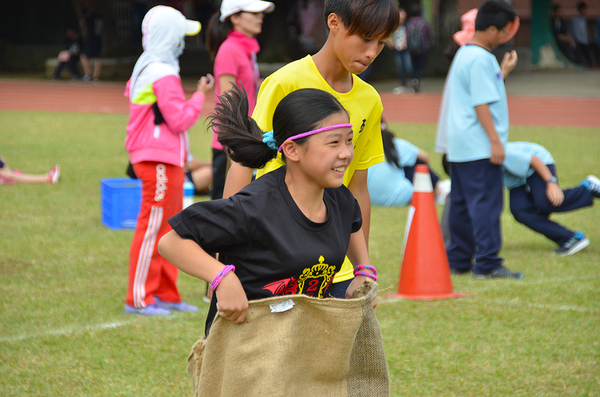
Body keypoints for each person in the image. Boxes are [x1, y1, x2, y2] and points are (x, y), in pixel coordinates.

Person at [158, 86, 376, 335]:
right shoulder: (254, 206)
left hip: (302, 346)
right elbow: (171, 242)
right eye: (334, 143)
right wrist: (221, 277)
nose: (346, 153)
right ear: (292, 150)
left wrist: (363, 271)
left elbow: (352, 223)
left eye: (349, 141)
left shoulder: (340, 199)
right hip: (243, 350)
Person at [221, 0, 399, 298]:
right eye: (366, 38)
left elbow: (357, 189)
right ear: (334, 23)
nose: (372, 52)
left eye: (381, 42)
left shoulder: (370, 100)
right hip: (275, 259)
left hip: (335, 268)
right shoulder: (286, 82)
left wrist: (362, 270)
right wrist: (225, 253)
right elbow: (243, 163)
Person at [124, 5, 215, 316]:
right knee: (154, 227)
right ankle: (139, 298)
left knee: (168, 229)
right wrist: (200, 94)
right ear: (170, 37)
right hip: (157, 159)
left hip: (164, 159)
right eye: (180, 36)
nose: (182, 43)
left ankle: (165, 293)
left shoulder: (148, 66)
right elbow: (179, 120)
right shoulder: (161, 72)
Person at [440, 0, 522, 279]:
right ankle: (488, 263)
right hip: (479, 146)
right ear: (489, 29)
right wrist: (495, 141)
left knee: (462, 203)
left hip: (461, 146)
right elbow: (482, 104)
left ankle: (459, 258)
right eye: (502, 32)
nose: (504, 37)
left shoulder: (466, 53)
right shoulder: (481, 58)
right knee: (486, 203)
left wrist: (504, 72)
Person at [205, 0, 275, 202]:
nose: (260, 17)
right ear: (234, 18)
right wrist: (235, 143)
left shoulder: (247, 50)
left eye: (261, 13)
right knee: (222, 210)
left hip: (246, 138)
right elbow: (228, 103)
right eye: (253, 13)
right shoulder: (229, 50)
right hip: (232, 142)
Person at [503, 141, 599, 256]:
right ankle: (570, 238)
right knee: (519, 209)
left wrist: (550, 182)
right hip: (515, 179)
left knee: (544, 202)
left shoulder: (494, 152)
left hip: (537, 162)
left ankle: (588, 188)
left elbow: (534, 161)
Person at [367, 120, 450, 207]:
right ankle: (438, 192)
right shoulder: (395, 144)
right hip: (402, 197)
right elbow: (425, 158)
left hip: (370, 199)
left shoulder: (362, 149)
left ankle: (437, 189)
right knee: (416, 163)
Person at [405, 4, 432, 93]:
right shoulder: (424, 23)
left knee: (413, 64)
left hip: (411, 48)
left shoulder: (408, 23)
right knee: (421, 65)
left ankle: (414, 79)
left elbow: (407, 36)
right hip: (423, 48)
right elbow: (429, 35)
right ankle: (418, 79)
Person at [387, 8, 414, 94]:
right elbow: (388, 36)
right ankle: (403, 84)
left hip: (406, 49)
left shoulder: (408, 25)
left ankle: (414, 84)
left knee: (408, 66)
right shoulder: (393, 26)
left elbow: (412, 36)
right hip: (397, 49)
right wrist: (390, 42)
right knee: (400, 67)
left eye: (403, 14)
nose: (401, 17)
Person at [570, 2, 597, 68]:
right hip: (576, 40)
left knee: (591, 46)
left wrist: (585, 40)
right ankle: (580, 63)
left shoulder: (584, 19)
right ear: (581, 10)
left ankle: (592, 63)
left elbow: (584, 32)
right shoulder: (574, 20)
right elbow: (576, 33)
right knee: (580, 48)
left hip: (583, 40)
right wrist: (583, 41)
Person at [80, 8, 104, 83]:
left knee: (83, 56)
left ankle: (88, 74)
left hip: (92, 39)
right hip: (98, 39)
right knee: (97, 57)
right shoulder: (100, 16)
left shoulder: (90, 16)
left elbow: (83, 24)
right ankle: (96, 76)